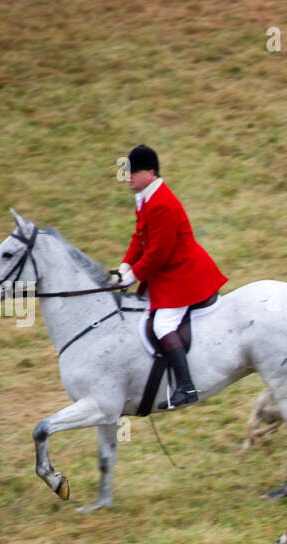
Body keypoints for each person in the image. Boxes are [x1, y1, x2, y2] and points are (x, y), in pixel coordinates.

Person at [115, 145, 227, 409]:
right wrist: (124, 265)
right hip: (168, 272)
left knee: (162, 325)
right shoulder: (146, 198)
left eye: (134, 171)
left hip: (182, 274)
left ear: (151, 173)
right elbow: (140, 239)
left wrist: (131, 277)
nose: (128, 176)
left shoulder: (161, 203)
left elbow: (158, 253)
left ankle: (186, 386)